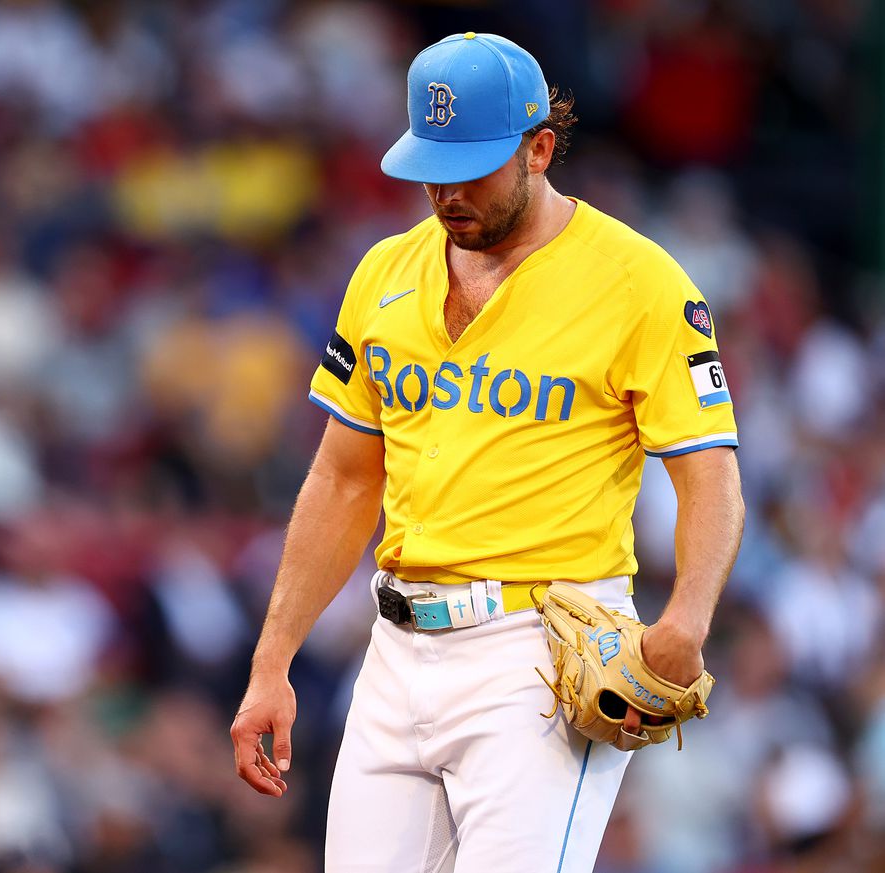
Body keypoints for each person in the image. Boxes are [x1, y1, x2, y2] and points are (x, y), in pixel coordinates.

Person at [229, 32, 745, 873]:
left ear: (539, 148)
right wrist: (271, 661)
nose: (446, 189)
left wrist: (687, 619)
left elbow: (711, 475)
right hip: (394, 648)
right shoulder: (384, 273)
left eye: (471, 165)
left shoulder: (640, 283)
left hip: (538, 653)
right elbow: (342, 480)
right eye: (432, 164)